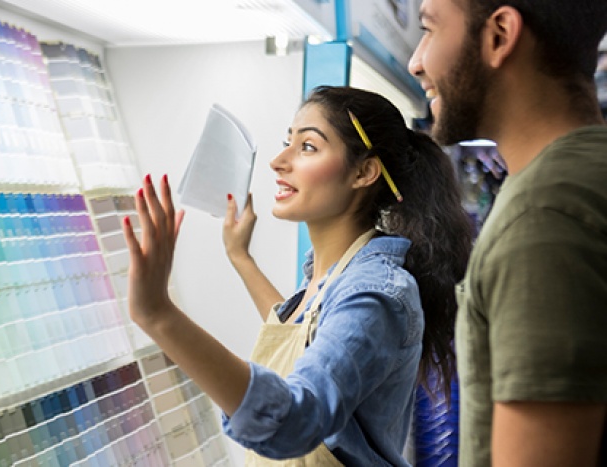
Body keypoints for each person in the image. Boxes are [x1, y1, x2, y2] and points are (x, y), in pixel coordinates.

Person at [122, 85, 473, 466]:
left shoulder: (376, 294)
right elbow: (306, 335)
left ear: (364, 171)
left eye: (307, 146)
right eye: (287, 142)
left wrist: (159, 315)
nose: (277, 161)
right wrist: (241, 257)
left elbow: (293, 424)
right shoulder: (334, 277)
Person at [407, 0, 607, 466]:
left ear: (499, 35)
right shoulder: (579, 180)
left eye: (429, 29)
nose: (417, 61)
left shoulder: (542, 218)